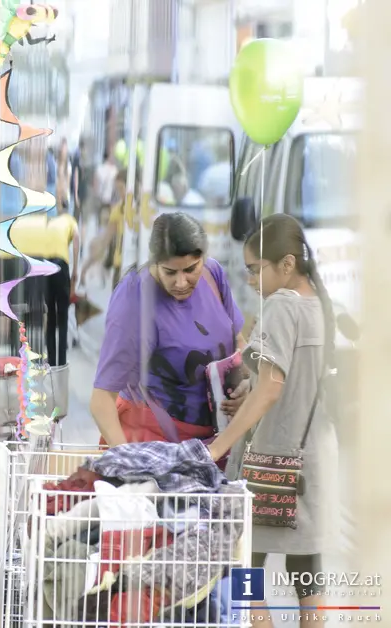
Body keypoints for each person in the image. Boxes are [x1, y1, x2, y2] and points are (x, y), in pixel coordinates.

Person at [207, 214, 335, 628]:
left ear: (286, 265)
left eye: (255, 269)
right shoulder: (320, 303)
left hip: (270, 464)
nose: (249, 280)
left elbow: (270, 389)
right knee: (308, 574)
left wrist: (219, 445)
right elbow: (295, 379)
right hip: (311, 461)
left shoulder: (282, 306)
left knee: (247, 570)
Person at [90, 212, 249, 447]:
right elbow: (102, 400)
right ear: (154, 261)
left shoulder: (213, 274)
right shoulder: (135, 299)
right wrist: (129, 461)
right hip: (154, 443)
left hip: (218, 442)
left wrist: (246, 383)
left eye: (191, 269)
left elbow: (239, 342)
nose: (181, 283)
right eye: (170, 272)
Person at [42, 200, 80, 366]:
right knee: (62, 316)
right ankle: (62, 363)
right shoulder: (72, 221)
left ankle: (51, 362)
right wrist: (75, 273)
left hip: (46, 266)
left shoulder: (50, 222)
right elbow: (76, 245)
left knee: (50, 315)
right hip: (61, 266)